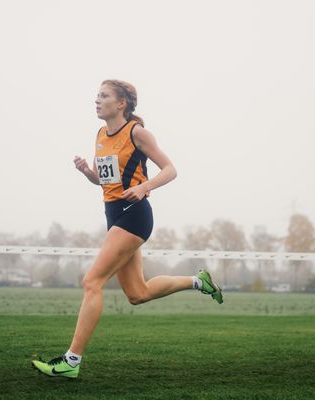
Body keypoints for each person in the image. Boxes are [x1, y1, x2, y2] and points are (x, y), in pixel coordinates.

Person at [32, 79, 223, 379]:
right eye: (97, 95)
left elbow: (170, 169)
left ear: (121, 103)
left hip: (134, 216)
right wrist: (87, 173)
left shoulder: (137, 132)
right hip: (115, 216)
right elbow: (103, 180)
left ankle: (71, 361)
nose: (97, 100)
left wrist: (145, 188)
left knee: (91, 281)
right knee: (138, 293)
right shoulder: (99, 134)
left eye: (104, 96)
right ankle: (198, 282)